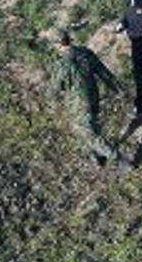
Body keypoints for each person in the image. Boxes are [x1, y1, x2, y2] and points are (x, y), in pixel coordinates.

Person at [51, 30, 121, 165]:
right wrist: (118, 89)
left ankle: (118, 159)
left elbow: (55, 88)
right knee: (91, 127)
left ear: (58, 44)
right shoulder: (86, 53)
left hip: (78, 104)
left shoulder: (62, 64)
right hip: (94, 97)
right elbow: (104, 73)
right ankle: (97, 158)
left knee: (88, 133)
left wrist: (52, 104)